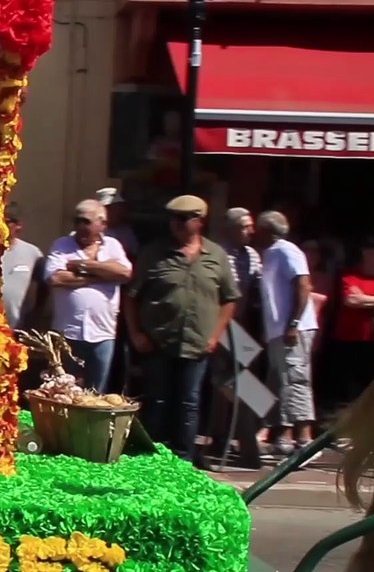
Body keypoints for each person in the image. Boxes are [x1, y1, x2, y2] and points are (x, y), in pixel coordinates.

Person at [126, 195, 239, 466]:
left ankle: (184, 457)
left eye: (183, 219)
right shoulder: (154, 253)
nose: (176, 224)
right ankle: (152, 455)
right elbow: (131, 296)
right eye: (173, 219)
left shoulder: (216, 256)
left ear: (199, 221)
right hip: (159, 340)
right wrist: (136, 334)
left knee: (189, 402)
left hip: (197, 342)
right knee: (157, 400)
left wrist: (216, 335)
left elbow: (229, 299)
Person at [42, 200, 131, 392]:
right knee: (63, 391)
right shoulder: (61, 245)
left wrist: (82, 266)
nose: (80, 227)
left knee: (95, 393)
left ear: (103, 224)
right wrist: (102, 276)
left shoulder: (113, 246)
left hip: (102, 334)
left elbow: (124, 273)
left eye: (85, 222)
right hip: (67, 334)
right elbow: (56, 278)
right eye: (77, 221)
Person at [254, 210, 320, 460]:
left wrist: (293, 323)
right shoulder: (270, 253)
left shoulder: (287, 250)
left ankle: (305, 441)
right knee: (279, 383)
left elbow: (303, 284)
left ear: (266, 231)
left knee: (295, 380)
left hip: (295, 329)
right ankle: (284, 439)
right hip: (278, 332)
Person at [208, 207, 264, 466]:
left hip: (240, 326)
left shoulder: (251, 255)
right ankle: (248, 448)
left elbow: (257, 288)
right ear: (229, 229)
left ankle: (223, 437)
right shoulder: (217, 254)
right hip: (218, 323)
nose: (251, 231)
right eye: (245, 226)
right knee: (235, 383)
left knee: (236, 383)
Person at [332, 236, 374, 405]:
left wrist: (364, 298)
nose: (371, 251)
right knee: (350, 388)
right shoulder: (351, 275)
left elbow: (360, 300)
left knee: (371, 387)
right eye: (367, 247)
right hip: (350, 337)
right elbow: (351, 301)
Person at [0, 213, 43, 330]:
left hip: (20, 328)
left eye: (6, 222)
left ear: (18, 226)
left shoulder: (33, 253)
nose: (0, 225)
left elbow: (42, 291)